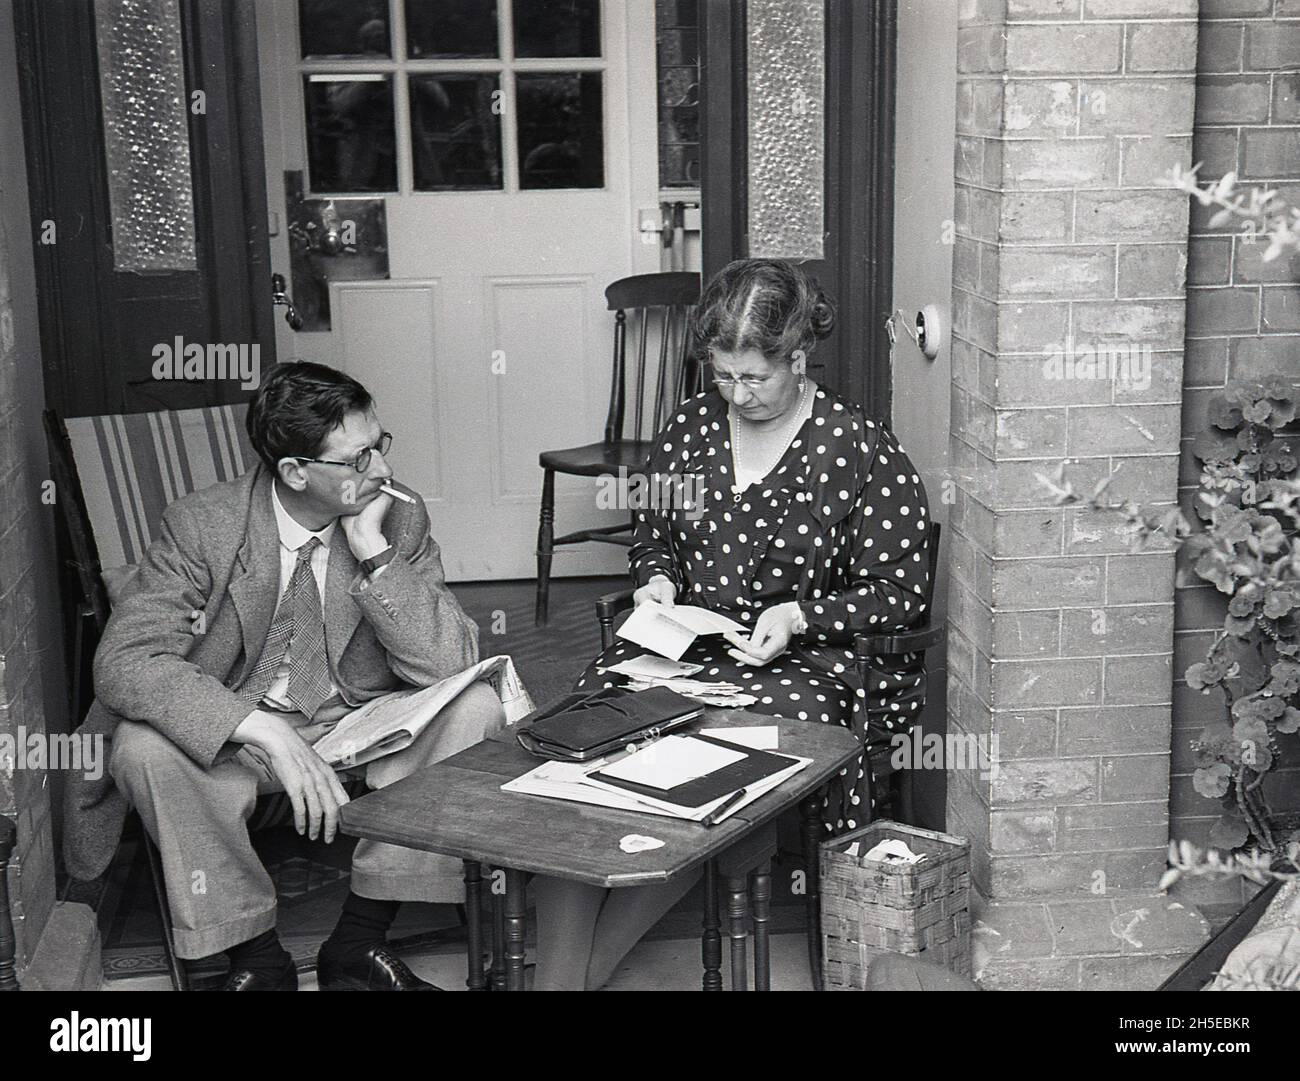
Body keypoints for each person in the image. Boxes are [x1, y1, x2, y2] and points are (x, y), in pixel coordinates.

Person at [532, 258, 932, 990]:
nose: (737, 394)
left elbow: (899, 593)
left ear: (798, 357)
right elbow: (654, 534)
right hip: (685, 651)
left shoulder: (859, 448)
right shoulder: (689, 429)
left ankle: (564, 982)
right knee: (584, 756)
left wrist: (802, 614)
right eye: (723, 377)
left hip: (803, 666)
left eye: (755, 378)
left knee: (699, 778)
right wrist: (656, 580)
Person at [65, 361, 505, 990]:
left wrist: (375, 554)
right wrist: (263, 731)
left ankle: (359, 940)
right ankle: (257, 957)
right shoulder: (202, 526)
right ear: (296, 472)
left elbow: (449, 664)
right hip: (239, 730)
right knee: (142, 746)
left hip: (356, 719)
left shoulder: (397, 517)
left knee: (475, 707)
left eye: (380, 444)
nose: (382, 469)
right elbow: (125, 662)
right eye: (358, 459)